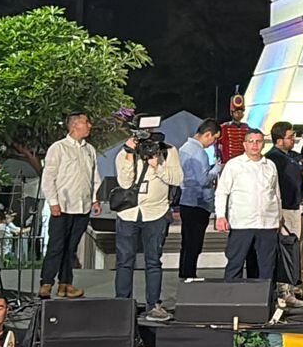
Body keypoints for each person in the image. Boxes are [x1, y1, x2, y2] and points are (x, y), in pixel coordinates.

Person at [112, 129, 184, 322]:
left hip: (156, 213)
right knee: (124, 261)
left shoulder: (168, 151)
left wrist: (157, 165)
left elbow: (177, 179)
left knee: (153, 261)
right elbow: (124, 183)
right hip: (128, 213)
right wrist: (129, 154)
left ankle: (154, 305)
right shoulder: (125, 152)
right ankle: (122, 304)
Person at [39, 112, 98, 299]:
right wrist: (53, 202)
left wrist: (94, 199)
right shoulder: (58, 148)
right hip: (63, 206)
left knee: (71, 248)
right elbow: (48, 178)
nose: (90, 125)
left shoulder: (90, 150)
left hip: (82, 206)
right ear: (74, 126)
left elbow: (94, 177)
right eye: (86, 122)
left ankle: (66, 284)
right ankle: (46, 282)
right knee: (56, 246)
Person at [216, 128, 283, 290]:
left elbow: (276, 193)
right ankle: (231, 298)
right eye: (251, 141)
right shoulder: (234, 165)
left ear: (263, 144)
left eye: (258, 141)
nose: (255, 145)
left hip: (267, 224)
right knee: (235, 263)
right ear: (245, 144)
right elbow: (222, 191)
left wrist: (279, 217)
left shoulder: (270, 165)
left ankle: (265, 302)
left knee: (267, 266)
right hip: (242, 223)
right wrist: (220, 216)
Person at [266, 121, 303, 308]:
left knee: (293, 248)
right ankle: (283, 291)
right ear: (280, 139)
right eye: (290, 137)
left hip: (295, 207)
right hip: (283, 209)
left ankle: (289, 287)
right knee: (285, 250)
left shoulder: (292, 157)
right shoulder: (273, 158)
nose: (293, 140)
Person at [177, 119, 222, 282]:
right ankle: (190, 273)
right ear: (207, 134)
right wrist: (216, 169)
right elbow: (203, 180)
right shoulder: (199, 152)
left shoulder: (183, 148)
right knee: (195, 242)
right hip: (198, 202)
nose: (213, 143)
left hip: (185, 200)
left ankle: (185, 272)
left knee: (186, 241)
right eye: (214, 138)